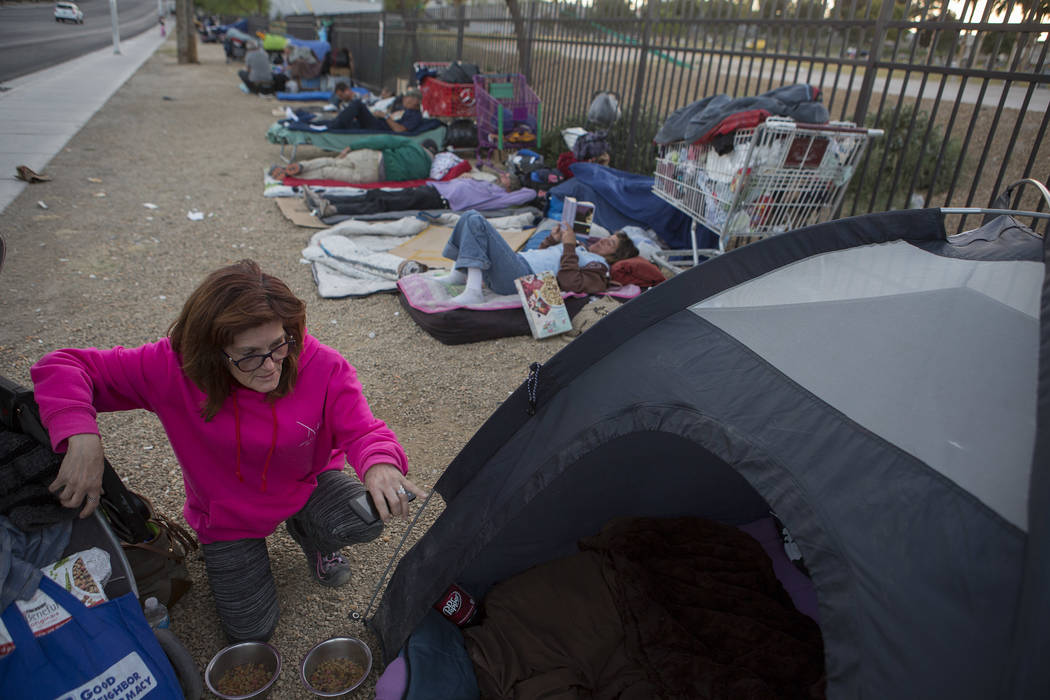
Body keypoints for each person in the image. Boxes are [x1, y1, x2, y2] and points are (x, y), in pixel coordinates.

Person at [30, 260, 425, 643]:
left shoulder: (320, 364)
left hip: (306, 487)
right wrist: (81, 435)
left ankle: (313, 536)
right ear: (211, 351)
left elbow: (363, 430)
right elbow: (63, 365)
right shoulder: (171, 368)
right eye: (250, 355)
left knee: (365, 516)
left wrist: (379, 465)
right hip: (228, 517)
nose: (271, 365)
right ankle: (243, 557)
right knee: (251, 631)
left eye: (279, 345)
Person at [434, 210, 639, 304]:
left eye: (610, 243)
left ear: (614, 256)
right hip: (520, 265)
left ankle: (473, 291)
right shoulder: (582, 249)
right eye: (607, 238)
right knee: (468, 217)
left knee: (476, 220)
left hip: (523, 278)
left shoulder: (600, 265)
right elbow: (543, 257)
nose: (603, 241)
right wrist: (553, 240)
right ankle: (461, 275)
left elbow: (571, 282)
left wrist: (568, 245)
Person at [303, 170, 535, 218]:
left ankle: (334, 209)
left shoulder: (501, 196)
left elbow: (528, 194)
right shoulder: (488, 183)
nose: (502, 174)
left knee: (384, 203)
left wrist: (540, 189)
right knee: (375, 195)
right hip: (433, 188)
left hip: (439, 200)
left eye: (507, 177)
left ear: (510, 186)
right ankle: (327, 199)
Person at [270, 136, 436, 184]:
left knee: (331, 161)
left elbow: (383, 141)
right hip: (374, 177)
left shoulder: (413, 145)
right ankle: (294, 177)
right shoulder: (426, 172)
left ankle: (301, 165)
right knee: (327, 173)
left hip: (371, 158)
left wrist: (353, 146)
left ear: (423, 146)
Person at [329, 85, 424, 133]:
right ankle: (335, 123)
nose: (404, 99)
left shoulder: (415, 115)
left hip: (379, 127)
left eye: (407, 97)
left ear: (416, 100)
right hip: (378, 122)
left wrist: (385, 116)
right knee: (355, 112)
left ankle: (333, 127)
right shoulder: (405, 110)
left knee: (358, 104)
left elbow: (399, 129)